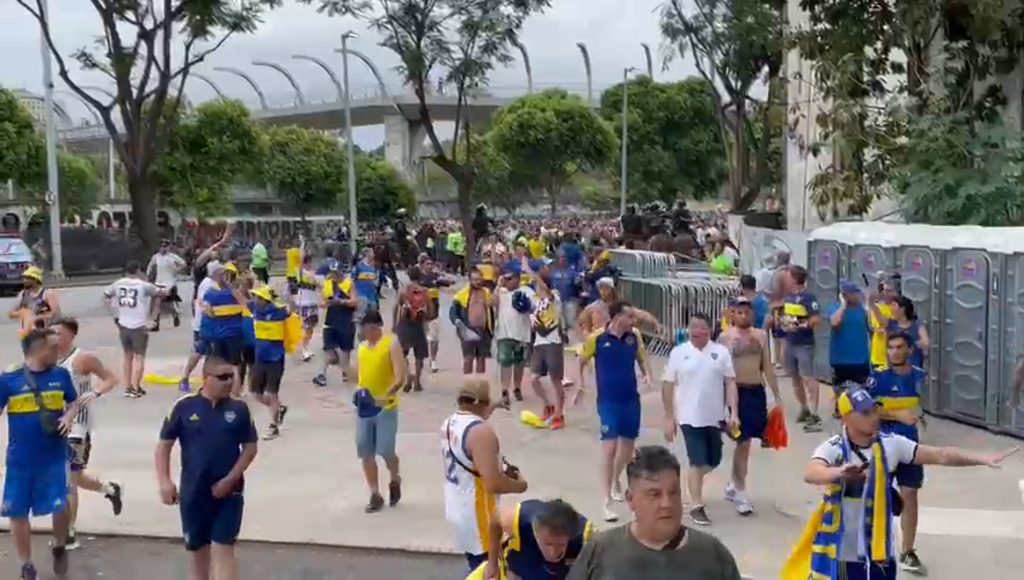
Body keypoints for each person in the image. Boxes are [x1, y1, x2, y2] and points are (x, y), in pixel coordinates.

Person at [793, 386, 1016, 580]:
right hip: (844, 551)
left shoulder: (892, 444)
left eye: (874, 410)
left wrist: (982, 458)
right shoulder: (833, 449)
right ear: (846, 417)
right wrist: (840, 473)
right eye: (866, 412)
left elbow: (941, 455)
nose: (874, 416)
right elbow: (811, 472)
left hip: (881, 552)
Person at [567, 445, 742, 580]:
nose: (667, 503)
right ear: (630, 499)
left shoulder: (712, 554)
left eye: (673, 493)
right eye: (654, 494)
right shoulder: (600, 552)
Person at [1, 329, 95, 580]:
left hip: (54, 457)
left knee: (60, 505)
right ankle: (26, 565)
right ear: (38, 350)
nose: (58, 351)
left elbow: (74, 402)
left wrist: (68, 415)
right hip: (21, 460)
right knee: (17, 512)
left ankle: (59, 544)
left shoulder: (61, 375)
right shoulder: (9, 379)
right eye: (53, 347)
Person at [156, 356, 258, 580]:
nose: (229, 382)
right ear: (206, 378)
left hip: (229, 493)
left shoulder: (239, 410)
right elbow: (163, 446)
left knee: (224, 551)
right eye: (222, 377)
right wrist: (164, 480)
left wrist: (231, 479)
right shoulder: (184, 407)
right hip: (193, 493)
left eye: (232, 376)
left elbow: (250, 448)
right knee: (198, 556)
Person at [442, 377, 528, 574]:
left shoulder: (450, 423)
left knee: (475, 564)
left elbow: (475, 422)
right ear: (483, 401)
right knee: (490, 569)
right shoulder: (482, 434)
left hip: (457, 507)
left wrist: (495, 405)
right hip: (479, 514)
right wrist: (521, 485)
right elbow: (493, 483)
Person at [578, 301, 653, 523]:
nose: (633, 320)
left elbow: (642, 357)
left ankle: (615, 479)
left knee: (627, 448)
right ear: (617, 317)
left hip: (631, 399)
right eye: (630, 316)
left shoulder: (634, 336)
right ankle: (606, 500)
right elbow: (581, 361)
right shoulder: (597, 338)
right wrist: (581, 384)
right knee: (609, 447)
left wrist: (647, 374)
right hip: (608, 402)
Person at [661, 314, 738, 526]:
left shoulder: (720, 353)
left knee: (713, 460)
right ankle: (696, 504)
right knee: (697, 460)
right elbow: (667, 385)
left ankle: (689, 484)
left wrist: (734, 413)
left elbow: (730, 383)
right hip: (688, 416)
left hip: (715, 417)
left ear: (709, 330)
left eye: (700, 327)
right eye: (692, 326)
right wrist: (669, 417)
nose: (695, 330)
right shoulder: (679, 352)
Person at [53, 318, 123, 550]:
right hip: (54, 426)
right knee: (76, 477)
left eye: (59, 333)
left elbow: (111, 378)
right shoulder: (48, 358)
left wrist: (94, 393)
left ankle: (69, 533)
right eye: (51, 333)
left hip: (77, 428)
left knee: (69, 481)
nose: (54, 337)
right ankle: (109, 488)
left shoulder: (82, 359)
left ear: (71, 336)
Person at [867, 333, 928, 573]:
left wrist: (917, 416)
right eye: (890, 347)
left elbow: (917, 405)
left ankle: (908, 550)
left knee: (910, 494)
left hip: (911, 447)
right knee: (878, 498)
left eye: (899, 347)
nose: (893, 352)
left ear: (909, 349)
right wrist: (896, 416)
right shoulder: (877, 377)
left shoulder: (919, 376)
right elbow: (867, 410)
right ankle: (874, 548)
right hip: (883, 446)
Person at [716, 298, 780, 516]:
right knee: (741, 443)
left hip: (756, 393)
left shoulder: (761, 336)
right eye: (740, 313)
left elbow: (767, 367)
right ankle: (741, 492)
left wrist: (776, 397)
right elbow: (719, 370)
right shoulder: (725, 338)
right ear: (733, 315)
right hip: (736, 393)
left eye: (747, 313)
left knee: (748, 442)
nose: (744, 316)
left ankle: (735, 483)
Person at [353, 310, 407, 513]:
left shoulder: (390, 344)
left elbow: (400, 376)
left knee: (385, 449)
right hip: (365, 406)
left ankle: (395, 477)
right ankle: (375, 494)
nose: (361, 330)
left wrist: (388, 393)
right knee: (365, 450)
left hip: (385, 406)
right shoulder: (361, 348)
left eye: (363, 326)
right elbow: (359, 376)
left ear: (374, 326)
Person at [478, 499, 591, 580]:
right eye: (548, 544)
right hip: (520, 570)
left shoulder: (587, 536)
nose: (553, 553)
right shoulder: (518, 520)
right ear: (536, 532)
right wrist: (492, 562)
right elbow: (495, 520)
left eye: (561, 545)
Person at [104, 260, 162, 398]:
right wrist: (154, 316)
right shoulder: (143, 285)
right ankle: (136, 386)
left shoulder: (118, 283)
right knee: (139, 357)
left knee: (127, 356)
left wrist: (114, 312)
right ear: (138, 270)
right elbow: (160, 293)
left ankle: (128, 386)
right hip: (139, 324)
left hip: (123, 323)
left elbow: (106, 295)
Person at [782, 265, 823, 432]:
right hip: (789, 341)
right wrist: (784, 325)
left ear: (794, 278)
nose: (785, 279)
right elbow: (785, 317)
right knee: (795, 377)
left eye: (788, 276)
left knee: (808, 377)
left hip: (804, 343)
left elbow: (816, 320)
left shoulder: (808, 297)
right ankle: (804, 408)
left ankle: (814, 412)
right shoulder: (789, 297)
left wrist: (800, 325)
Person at [250, 286, 290, 440]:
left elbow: (291, 311)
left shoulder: (278, 312)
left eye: (258, 297)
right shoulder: (255, 309)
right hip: (259, 358)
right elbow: (240, 297)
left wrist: (286, 296)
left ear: (266, 299)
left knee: (271, 393)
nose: (255, 299)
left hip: (275, 359)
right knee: (255, 393)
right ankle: (278, 409)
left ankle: (274, 426)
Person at [530, 276, 567, 429]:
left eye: (538, 286)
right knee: (534, 379)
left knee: (556, 381)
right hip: (539, 343)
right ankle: (548, 405)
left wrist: (528, 269)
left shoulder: (555, 299)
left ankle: (559, 414)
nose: (536, 288)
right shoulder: (537, 302)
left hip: (553, 343)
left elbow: (546, 290)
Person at [494, 270, 534, 408]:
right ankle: (504, 389)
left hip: (522, 333)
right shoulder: (501, 292)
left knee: (519, 362)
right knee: (505, 362)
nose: (507, 281)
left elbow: (533, 308)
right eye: (505, 278)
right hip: (504, 334)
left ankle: (517, 387)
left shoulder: (527, 291)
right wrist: (498, 286)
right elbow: (492, 303)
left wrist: (525, 305)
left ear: (517, 279)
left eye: (510, 278)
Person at [314, 267, 358, 387]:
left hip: (346, 320)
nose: (333, 277)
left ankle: (346, 372)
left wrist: (341, 302)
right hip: (331, 321)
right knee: (329, 349)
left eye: (335, 274)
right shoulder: (328, 284)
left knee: (346, 349)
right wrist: (329, 302)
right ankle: (321, 374)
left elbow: (354, 301)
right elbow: (321, 303)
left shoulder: (349, 284)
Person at [393, 267, 434, 392]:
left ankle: (408, 375)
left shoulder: (404, 291)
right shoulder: (425, 291)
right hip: (419, 325)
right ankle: (417, 381)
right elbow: (431, 312)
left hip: (405, 324)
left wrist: (394, 324)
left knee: (402, 354)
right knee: (419, 355)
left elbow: (396, 307)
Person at [827, 280, 872, 388]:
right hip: (840, 360)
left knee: (862, 392)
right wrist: (843, 305)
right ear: (846, 295)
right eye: (855, 293)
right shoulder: (835, 308)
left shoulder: (862, 310)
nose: (859, 295)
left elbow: (872, 328)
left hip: (861, 360)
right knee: (841, 392)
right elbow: (835, 322)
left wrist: (868, 305)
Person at [450, 270, 494, 375]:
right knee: (468, 358)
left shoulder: (487, 293)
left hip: (483, 331)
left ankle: (480, 384)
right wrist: (457, 322)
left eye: (480, 279)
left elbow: (491, 312)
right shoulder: (461, 295)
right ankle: (468, 384)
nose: (478, 282)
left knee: (481, 358)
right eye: (475, 279)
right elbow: (453, 313)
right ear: (470, 280)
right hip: (467, 331)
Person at [420, 255, 454, 373]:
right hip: (420, 313)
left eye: (431, 264)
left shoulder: (435, 277)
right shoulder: (418, 278)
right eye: (427, 264)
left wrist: (442, 275)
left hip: (434, 312)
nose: (430, 266)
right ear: (422, 265)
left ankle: (433, 361)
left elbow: (450, 282)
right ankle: (419, 360)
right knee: (421, 339)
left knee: (434, 339)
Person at [9, 266, 60, 338]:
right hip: (27, 335)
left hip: (45, 334)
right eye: (25, 278)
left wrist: (37, 318)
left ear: (35, 280)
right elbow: (13, 313)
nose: (24, 280)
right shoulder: (23, 294)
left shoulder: (47, 294)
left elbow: (54, 314)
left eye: (27, 278)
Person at [147, 239, 187, 330]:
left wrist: (177, 270)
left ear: (168, 247)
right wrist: (148, 275)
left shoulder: (172, 257)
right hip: (159, 283)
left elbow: (183, 263)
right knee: (157, 303)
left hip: (170, 283)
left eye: (165, 246)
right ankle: (156, 324)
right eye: (162, 246)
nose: (163, 248)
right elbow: (150, 266)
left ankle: (175, 315)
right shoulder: (156, 257)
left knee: (170, 304)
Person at [885, 295, 929, 370]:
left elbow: (926, 342)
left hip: (914, 367)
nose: (891, 308)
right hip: (895, 367)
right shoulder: (890, 324)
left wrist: (910, 345)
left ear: (902, 309)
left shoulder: (917, 324)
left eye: (894, 305)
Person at [294, 254, 321, 361]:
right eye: (309, 262)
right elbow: (300, 264)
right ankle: (304, 349)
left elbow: (320, 286)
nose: (311, 264)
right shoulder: (300, 273)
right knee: (305, 327)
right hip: (304, 303)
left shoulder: (314, 274)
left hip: (313, 303)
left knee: (311, 328)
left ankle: (307, 346)